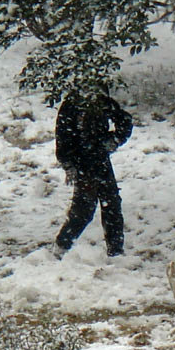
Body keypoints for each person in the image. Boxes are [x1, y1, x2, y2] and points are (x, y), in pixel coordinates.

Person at [54, 91, 133, 258]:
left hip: (100, 161)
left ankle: (115, 251)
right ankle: (62, 246)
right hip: (83, 163)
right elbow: (62, 136)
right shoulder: (72, 105)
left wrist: (115, 139)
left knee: (111, 205)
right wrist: (69, 164)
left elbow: (124, 120)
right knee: (85, 209)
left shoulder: (100, 101)